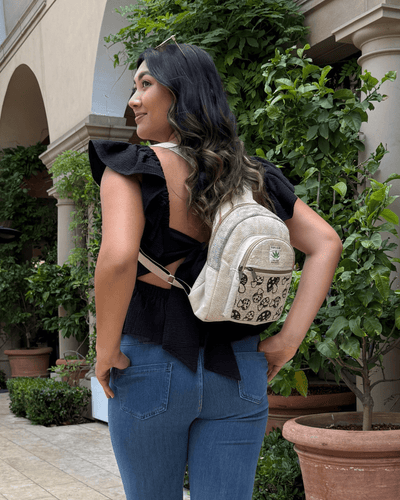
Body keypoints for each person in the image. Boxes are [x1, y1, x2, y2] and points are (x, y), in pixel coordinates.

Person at [89, 39, 342, 500]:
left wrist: (105, 351)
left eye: (145, 84)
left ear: (180, 91)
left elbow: (119, 259)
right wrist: (287, 341)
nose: (133, 100)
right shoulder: (254, 176)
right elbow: (326, 243)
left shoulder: (131, 168)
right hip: (239, 368)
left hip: (149, 365)